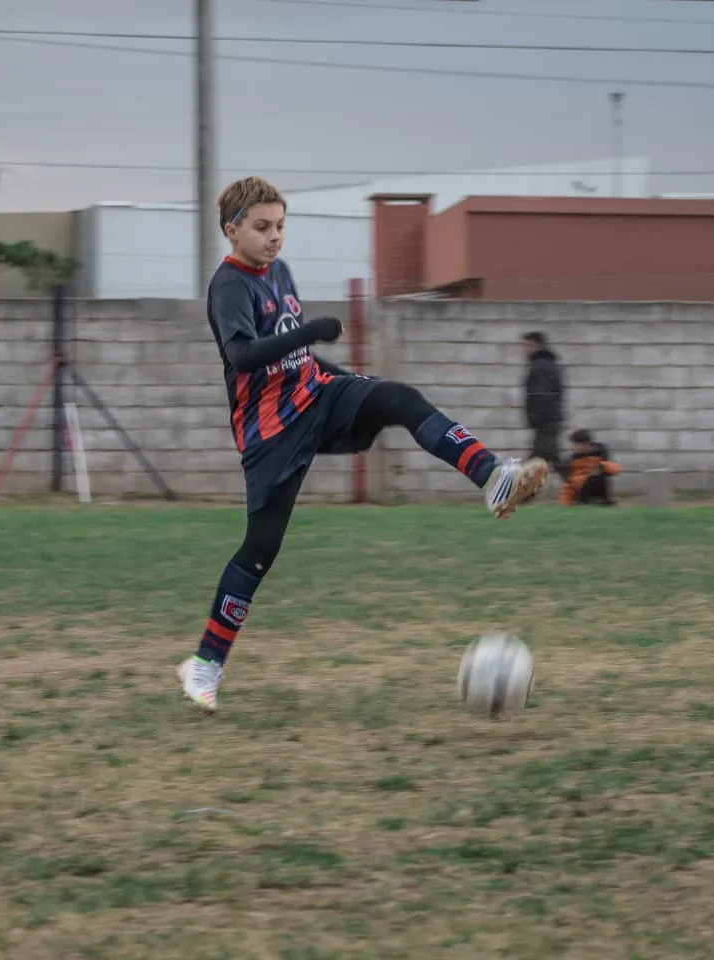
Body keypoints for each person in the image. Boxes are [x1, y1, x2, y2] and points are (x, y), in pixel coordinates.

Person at [177, 177, 548, 714]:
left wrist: (344, 379)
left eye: (280, 226)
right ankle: (205, 666)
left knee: (398, 398)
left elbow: (294, 361)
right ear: (231, 230)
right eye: (262, 228)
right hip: (271, 431)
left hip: (315, 395)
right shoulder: (230, 285)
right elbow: (243, 356)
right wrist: (311, 333)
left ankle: (493, 477)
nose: (274, 238)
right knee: (260, 551)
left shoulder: (279, 271)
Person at [522, 331, 567, 481]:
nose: (525, 350)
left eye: (528, 346)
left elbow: (540, 395)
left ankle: (520, 493)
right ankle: (580, 489)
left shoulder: (540, 367)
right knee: (551, 457)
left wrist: (535, 418)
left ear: (537, 345)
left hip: (545, 420)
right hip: (549, 420)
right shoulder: (547, 365)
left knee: (538, 459)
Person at [560, 429, 621, 507]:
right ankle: (585, 501)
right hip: (581, 491)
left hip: (600, 489)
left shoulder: (600, 452)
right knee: (587, 479)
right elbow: (569, 484)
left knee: (597, 476)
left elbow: (615, 470)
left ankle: (601, 501)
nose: (574, 448)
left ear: (586, 444)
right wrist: (564, 504)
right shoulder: (572, 459)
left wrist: (602, 466)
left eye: (576, 445)